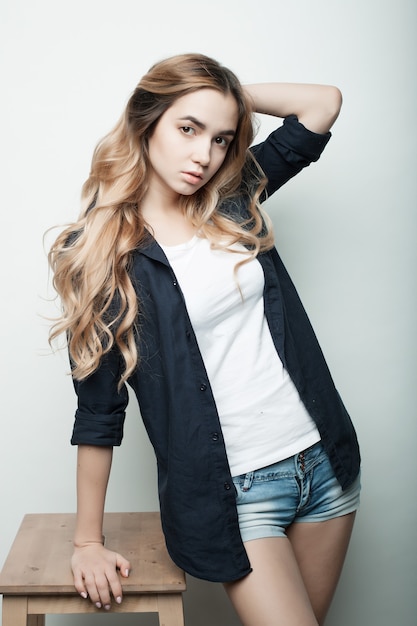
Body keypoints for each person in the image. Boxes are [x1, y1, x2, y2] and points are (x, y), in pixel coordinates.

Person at [48, 53, 361, 626]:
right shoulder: (98, 254)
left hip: (323, 461)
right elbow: (98, 410)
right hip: (238, 492)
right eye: (187, 128)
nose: (204, 155)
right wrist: (85, 541)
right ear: (146, 119)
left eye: (221, 138)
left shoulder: (232, 199)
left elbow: (322, 104)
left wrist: (227, 95)